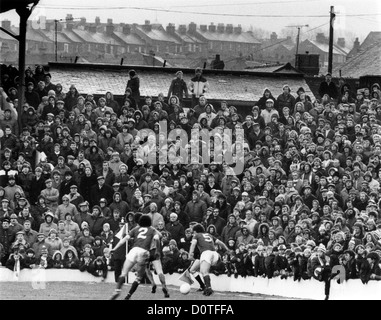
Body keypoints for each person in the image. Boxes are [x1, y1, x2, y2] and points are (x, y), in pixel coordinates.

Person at [109, 214, 160, 300]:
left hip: (134, 250)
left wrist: (114, 248)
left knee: (124, 273)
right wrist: (157, 251)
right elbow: (157, 238)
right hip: (144, 252)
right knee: (139, 277)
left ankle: (117, 290)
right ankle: (128, 295)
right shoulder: (152, 229)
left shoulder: (135, 229)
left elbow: (124, 240)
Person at [188, 223, 230, 296]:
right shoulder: (209, 235)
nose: (192, 233)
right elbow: (220, 242)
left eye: (193, 231)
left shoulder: (196, 235)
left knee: (204, 271)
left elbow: (193, 244)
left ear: (195, 231)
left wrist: (190, 254)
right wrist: (227, 250)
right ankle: (203, 286)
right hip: (214, 254)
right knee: (192, 270)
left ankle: (209, 288)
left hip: (206, 253)